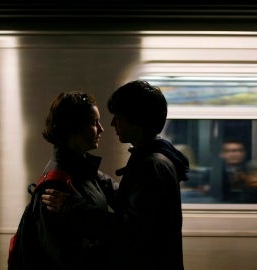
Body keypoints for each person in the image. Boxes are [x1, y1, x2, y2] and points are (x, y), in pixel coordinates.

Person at [43, 80, 189, 270]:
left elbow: (129, 231)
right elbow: (130, 200)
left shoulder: (151, 166)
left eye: (118, 117)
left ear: (137, 120)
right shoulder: (157, 158)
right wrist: (91, 172)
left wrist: (72, 208)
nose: (111, 124)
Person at [23, 91, 118, 270]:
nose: (102, 129)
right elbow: (65, 257)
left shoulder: (84, 172)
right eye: (93, 123)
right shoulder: (56, 186)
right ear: (73, 128)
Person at [219, 138, 248, 203]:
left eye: (238, 151)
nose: (233, 154)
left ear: (244, 153)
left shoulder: (252, 173)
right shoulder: (212, 174)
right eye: (228, 151)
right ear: (221, 154)